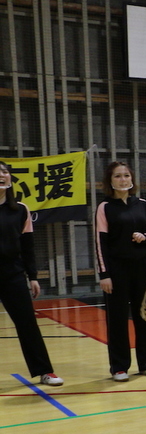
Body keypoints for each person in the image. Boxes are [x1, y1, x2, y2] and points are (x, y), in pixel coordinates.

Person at [0, 161, 63, 387]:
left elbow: (27, 247)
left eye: (5, 172)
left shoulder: (21, 210)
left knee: (27, 323)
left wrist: (33, 276)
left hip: (12, 275)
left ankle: (44, 371)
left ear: (10, 178)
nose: (1, 175)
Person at [95, 161, 146, 382]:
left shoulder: (142, 204)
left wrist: (145, 237)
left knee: (144, 316)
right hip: (116, 269)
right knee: (117, 319)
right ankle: (119, 367)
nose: (123, 180)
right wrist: (104, 274)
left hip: (142, 267)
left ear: (132, 179)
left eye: (126, 176)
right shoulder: (105, 207)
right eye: (118, 176)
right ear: (110, 181)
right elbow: (100, 243)